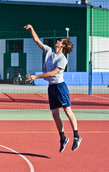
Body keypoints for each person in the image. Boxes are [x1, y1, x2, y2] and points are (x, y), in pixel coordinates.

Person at [24, 24, 82, 152]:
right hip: (51, 88)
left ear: (63, 45)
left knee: (67, 111)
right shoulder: (49, 51)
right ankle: (63, 138)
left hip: (60, 88)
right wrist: (32, 28)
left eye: (60, 41)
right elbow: (36, 40)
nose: (57, 41)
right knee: (55, 114)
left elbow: (52, 73)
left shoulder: (62, 59)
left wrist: (35, 77)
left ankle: (77, 136)